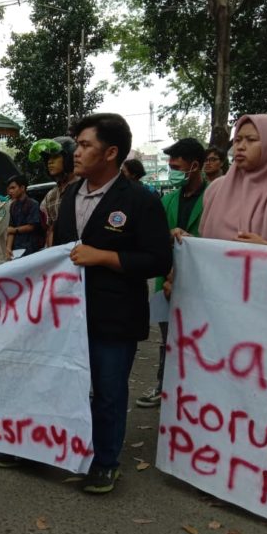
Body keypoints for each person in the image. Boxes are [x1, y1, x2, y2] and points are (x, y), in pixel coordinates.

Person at [54, 113, 172, 493]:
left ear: (111, 152)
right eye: (77, 144)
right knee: (63, 382)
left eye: (85, 145)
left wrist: (102, 257)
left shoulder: (140, 200)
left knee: (108, 389)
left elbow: (158, 260)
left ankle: (105, 461)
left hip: (115, 316)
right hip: (70, 313)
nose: (76, 152)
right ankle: (55, 446)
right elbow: (61, 249)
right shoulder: (71, 193)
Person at [136, 137, 207, 408]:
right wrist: (169, 235)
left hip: (200, 284)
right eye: (170, 165)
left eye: (177, 166)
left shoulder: (213, 197)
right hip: (165, 283)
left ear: (195, 166)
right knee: (168, 341)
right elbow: (154, 239)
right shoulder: (168, 199)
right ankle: (163, 387)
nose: (172, 170)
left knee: (200, 343)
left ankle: (197, 394)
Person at [200, 114, 267, 250]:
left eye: (251, 140)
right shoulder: (216, 189)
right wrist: (187, 241)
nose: (240, 147)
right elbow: (206, 240)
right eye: (238, 140)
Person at [29, 137, 79, 247]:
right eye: (48, 158)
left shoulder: (84, 187)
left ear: (69, 159)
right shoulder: (50, 196)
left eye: (55, 156)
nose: (50, 162)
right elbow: (50, 230)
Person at [5, 174, 42, 259]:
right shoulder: (12, 205)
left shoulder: (33, 204)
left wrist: (14, 230)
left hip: (31, 249)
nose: (10, 191)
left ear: (22, 188)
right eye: (9, 188)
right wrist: (8, 248)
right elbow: (10, 229)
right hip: (16, 250)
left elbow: (32, 226)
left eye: (13, 188)